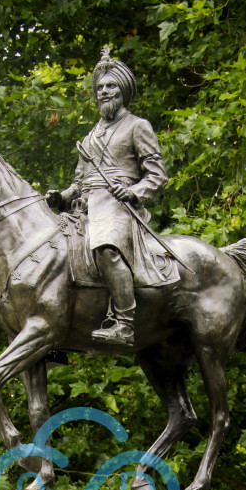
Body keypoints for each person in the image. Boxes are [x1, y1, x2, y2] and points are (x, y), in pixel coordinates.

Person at [46, 48, 168, 348]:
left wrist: (135, 191)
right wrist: (62, 197)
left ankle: (125, 324)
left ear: (122, 91)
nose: (104, 91)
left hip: (118, 206)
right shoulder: (90, 137)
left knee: (106, 248)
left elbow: (157, 176)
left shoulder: (137, 126)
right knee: (50, 251)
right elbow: (79, 182)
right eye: (100, 87)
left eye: (110, 86)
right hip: (85, 207)